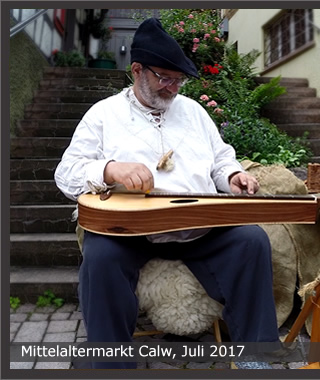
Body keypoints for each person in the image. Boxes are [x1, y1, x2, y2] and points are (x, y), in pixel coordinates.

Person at [55, 18, 279, 369]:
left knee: (251, 241)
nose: (173, 89)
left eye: (179, 80)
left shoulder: (194, 112)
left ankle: (256, 357)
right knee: (99, 259)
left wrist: (232, 176)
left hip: (199, 226)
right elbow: (66, 174)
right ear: (137, 70)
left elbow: (221, 158)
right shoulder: (104, 114)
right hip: (132, 231)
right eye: (164, 78)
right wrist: (110, 169)